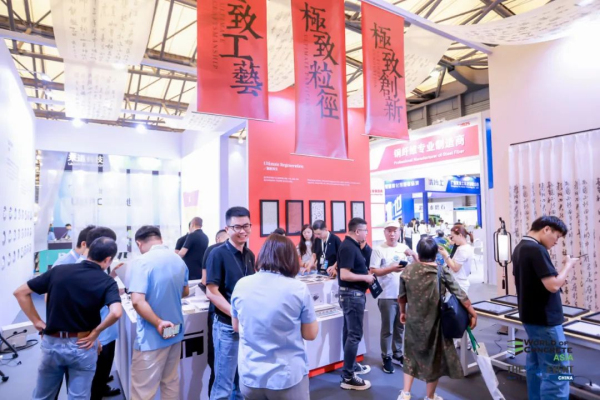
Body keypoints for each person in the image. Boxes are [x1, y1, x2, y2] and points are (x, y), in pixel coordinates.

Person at [13, 237, 122, 400]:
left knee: (43, 396)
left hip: (52, 343)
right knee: (79, 397)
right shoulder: (107, 282)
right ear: (107, 260)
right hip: (83, 344)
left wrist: (37, 321)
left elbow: (20, 292)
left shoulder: (59, 271)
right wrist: (96, 333)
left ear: (89, 252)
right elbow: (116, 312)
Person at [231, 234, 318, 399]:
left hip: (250, 376)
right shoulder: (298, 288)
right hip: (285, 377)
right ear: (291, 258)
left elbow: (236, 326)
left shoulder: (241, 284)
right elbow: (310, 334)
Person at [397, 237, 477, 400]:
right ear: (435, 253)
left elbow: (402, 297)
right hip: (435, 322)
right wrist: (472, 312)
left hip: (413, 321)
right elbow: (459, 293)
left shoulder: (408, 271)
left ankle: (405, 393)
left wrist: (402, 312)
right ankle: (430, 396)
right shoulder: (441, 271)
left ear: (418, 252)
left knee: (410, 355)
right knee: (434, 357)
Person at [513, 216, 578, 400]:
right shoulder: (536, 249)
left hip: (531, 317)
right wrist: (568, 266)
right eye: (556, 237)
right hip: (545, 320)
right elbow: (553, 285)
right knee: (557, 370)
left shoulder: (520, 247)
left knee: (536, 365)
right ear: (546, 229)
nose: (556, 242)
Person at [129, 225, 189, 400]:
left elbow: (137, 301)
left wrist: (158, 322)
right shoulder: (178, 260)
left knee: (143, 391)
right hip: (175, 331)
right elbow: (185, 291)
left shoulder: (142, 262)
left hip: (152, 336)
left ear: (139, 243)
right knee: (170, 382)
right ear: (160, 239)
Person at [206, 207, 256, 400]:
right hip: (226, 326)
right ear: (227, 229)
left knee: (241, 382)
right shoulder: (217, 254)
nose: (243, 231)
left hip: (245, 326)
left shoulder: (249, 255)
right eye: (237, 227)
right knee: (223, 385)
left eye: (246, 226)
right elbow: (212, 292)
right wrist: (236, 315)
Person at [369, 221, 417, 374]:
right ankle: (387, 356)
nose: (392, 234)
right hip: (386, 295)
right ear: (384, 232)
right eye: (389, 231)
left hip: (403, 295)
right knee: (387, 328)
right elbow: (373, 271)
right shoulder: (378, 249)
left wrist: (413, 254)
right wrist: (391, 268)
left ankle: (398, 353)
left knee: (400, 326)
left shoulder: (404, 248)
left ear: (399, 232)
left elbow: (416, 266)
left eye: (395, 231)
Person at [338, 218, 375, 391]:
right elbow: (344, 274)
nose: (366, 233)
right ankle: (348, 376)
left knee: (349, 332)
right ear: (357, 231)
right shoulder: (348, 247)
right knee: (354, 335)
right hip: (352, 295)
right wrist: (365, 277)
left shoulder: (353, 246)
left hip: (352, 295)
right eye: (365, 230)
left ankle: (351, 366)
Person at [201, 228, 230, 397]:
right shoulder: (243, 253)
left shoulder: (211, 250)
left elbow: (205, 281)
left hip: (219, 314)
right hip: (228, 315)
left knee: (218, 366)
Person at [438, 225, 474, 295]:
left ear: (460, 235)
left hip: (458, 284)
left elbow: (455, 268)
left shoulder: (463, 250)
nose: (452, 239)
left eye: (453, 237)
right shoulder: (464, 247)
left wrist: (445, 255)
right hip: (457, 283)